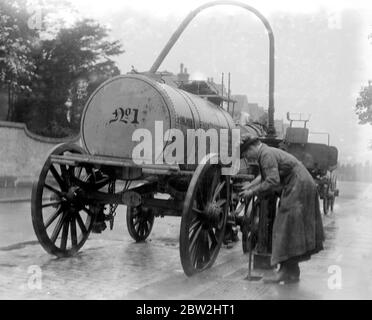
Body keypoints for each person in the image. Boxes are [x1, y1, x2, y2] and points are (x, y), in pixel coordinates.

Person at [238, 133, 324, 284]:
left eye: (246, 153)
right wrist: (250, 185)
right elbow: (265, 175)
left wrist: (252, 192)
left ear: (252, 147)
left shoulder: (265, 154)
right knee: (292, 228)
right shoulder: (266, 152)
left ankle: (284, 272)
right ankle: (292, 272)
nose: (247, 157)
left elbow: (272, 180)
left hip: (298, 185)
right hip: (301, 183)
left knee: (284, 227)